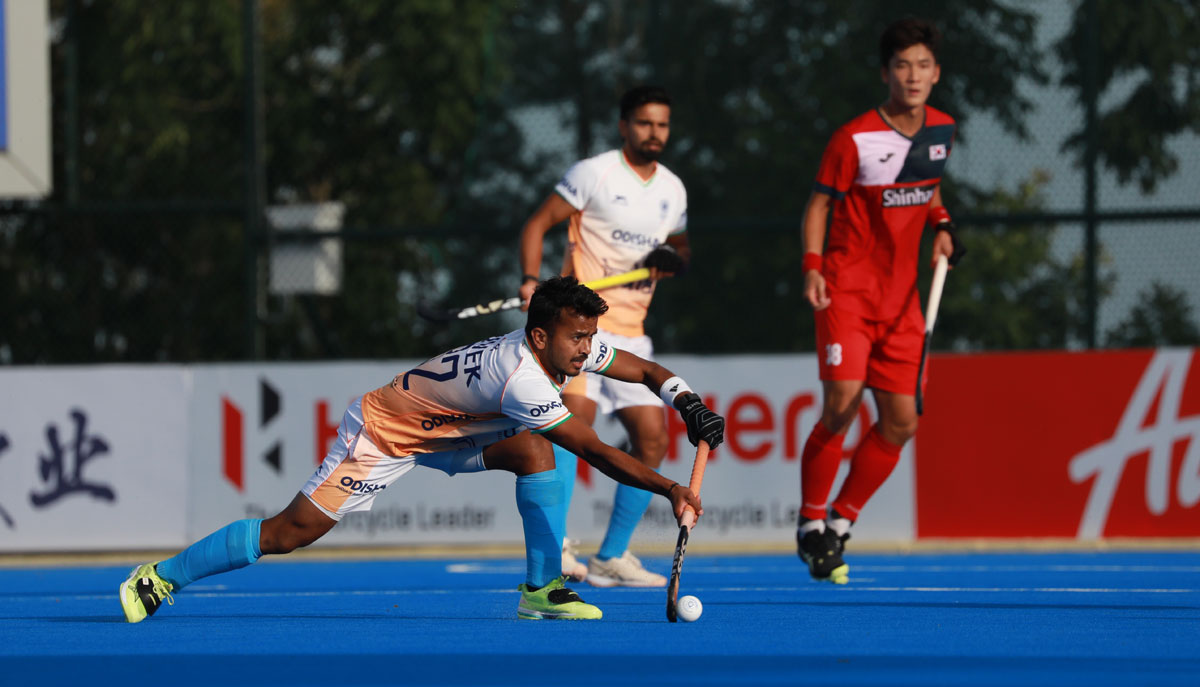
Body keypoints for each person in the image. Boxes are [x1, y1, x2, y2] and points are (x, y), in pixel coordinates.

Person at [119, 277, 724, 623]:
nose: (587, 349)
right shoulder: (523, 376)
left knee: (534, 455)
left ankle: (541, 591)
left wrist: (686, 400)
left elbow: (642, 369)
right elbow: (591, 448)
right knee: (288, 533)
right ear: (541, 336)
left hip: (457, 427)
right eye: (578, 338)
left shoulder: (562, 345)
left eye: (591, 337)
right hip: (384, 432)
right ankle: (160, 578)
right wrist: (672, 488)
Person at [796, 18, 966, 584]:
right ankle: (810, 523)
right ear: (885, 73)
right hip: (846, 291)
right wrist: (813, 267)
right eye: (902, 65)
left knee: (903, 420)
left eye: (923, 65)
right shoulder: (853, 138)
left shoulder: (942, 128)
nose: (913, 76)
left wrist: (940, 222)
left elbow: (928, 181)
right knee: (842, 404)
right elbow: (819, 206)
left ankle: (841, 523)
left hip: (903, 303)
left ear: (936, 74)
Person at [517, 85, 690, 588]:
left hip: (633, 332)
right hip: (581, 327)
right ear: (624, 126)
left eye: (662, 124)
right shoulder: (594, 173)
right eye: (644, 123)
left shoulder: (673, 189)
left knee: (652, 438)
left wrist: (671, 260)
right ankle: (561, 543)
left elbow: (681, 251)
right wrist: (531, 280)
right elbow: (536, 225)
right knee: (574, 429)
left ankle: (611, 557)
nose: (654, 133)